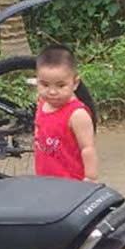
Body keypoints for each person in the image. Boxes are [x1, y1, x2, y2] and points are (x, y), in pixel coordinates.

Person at [33, 44, 98, 182]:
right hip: (45, 179)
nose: (52, 92)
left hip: (71, 183)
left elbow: (87, 148)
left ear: (75, 83)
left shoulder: (77, 114)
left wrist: (90, 178)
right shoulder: (42, 103)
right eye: (44, 85)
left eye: (61, 85)